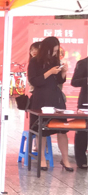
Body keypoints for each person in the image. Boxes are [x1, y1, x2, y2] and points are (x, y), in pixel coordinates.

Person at [28, 36, 73, 171]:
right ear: (46, 49)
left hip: (56, 98)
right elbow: (34, 81)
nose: (54, 53)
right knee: (41, 130)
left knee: (62, 130)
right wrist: (49, 72)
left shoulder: (55, 61)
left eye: (56, 51)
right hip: (40, 99)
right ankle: (42, 159)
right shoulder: (35, 61)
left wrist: (63, 72)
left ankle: (65, 159)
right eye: (53, 50)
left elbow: (59, 80)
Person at [71, 55, 87, 169]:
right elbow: (74, 81)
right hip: (86, 102)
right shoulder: (83, 63)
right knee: (83, 131)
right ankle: (81, 160)